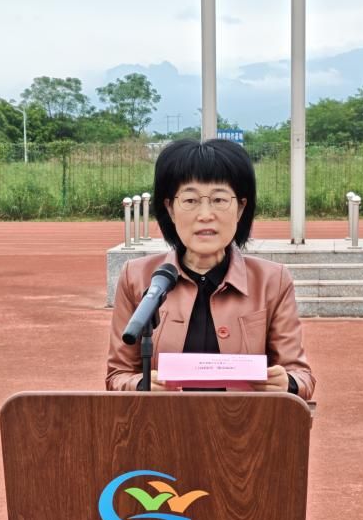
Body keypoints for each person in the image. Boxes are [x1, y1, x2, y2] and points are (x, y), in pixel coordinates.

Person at [106, 138, 315, 399]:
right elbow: (118, 375)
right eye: (190, 200)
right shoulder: (136, 277)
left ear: (240, 208)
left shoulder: (272, 280)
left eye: (219, 199)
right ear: (170, 209)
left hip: (244, 423)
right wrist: (141, 384)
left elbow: (301, 375)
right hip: (164, 423)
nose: (205, 214)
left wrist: (288, 383)